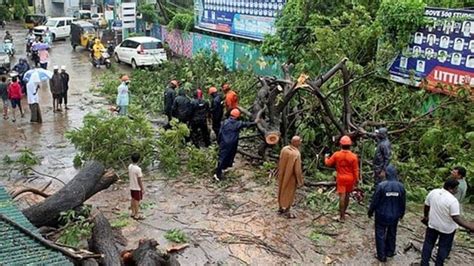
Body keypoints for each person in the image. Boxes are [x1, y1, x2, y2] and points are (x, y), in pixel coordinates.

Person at [420, 179, 474, 266]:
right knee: (443, 247)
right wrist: (470, 227)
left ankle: (424, 263)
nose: (456, 190)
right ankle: (439, 264)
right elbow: (456, 218)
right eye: (456, 188)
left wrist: (426, 216)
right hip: (447, 229)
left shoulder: (434, 192)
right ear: (450, 188)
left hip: (433, 224)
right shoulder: (453, 201)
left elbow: (426, 206)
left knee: (428, 244)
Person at [368, 165, 406, 262]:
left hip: (382, 215)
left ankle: (381, 256)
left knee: (380, 234)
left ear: (387, 173)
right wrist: (402, 213)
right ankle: (390, 251)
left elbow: (375, 201)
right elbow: (403, 202)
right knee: (392, 233)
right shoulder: (401, 187)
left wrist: (370, 211)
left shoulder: (381, 186)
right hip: (395, 215)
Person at [214, 108, 258, 181]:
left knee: (223, 156)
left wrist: (219, 141)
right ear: (237, 116)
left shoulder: (224, 122)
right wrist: (255, 122)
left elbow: (220, 133)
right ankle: (217, 174)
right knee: (225, 157)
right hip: (232, 143)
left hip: (223, 142)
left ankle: (221, 170)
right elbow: (246, 124)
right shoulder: (237, 123)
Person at [324, 136, 359, 222]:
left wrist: (325, 157)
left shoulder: (337, 154)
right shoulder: (354, 156)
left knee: (341, 196)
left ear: (340, 144)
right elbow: (356, 170)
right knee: (347, 196)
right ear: (350, 145)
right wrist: (357, 180)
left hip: (341, 178)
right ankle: (344, 212)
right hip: (350, 178)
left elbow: (328, 163)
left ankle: (342, 216)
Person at [277, 136, 304, 219]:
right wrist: (300, 180)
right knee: (289, 193)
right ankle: (287, 210)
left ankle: (280, 207)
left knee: (281, 189)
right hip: (291, 177)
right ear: (296, 143)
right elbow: (297, 170)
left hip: (282, 174)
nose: (300, 143)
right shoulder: (296, 154)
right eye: (299, 141)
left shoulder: (284, 149)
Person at [129, 153, 145, 220]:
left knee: (133, 199)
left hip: (131, 186)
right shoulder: (138, 169)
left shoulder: (130, 166)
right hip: (137, 188)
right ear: (139, 160)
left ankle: (133, 212)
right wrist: (142, 188)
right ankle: (137, 215)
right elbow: (139, 180)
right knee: (137, 201)